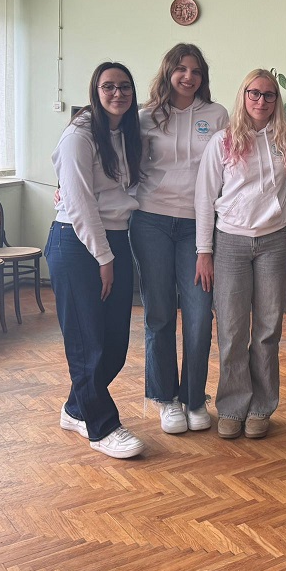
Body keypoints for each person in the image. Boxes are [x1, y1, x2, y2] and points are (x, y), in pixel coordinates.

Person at [194, 69, 286, 440]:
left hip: (274, 242)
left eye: (269, 94)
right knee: (231, 329)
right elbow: (204, 198)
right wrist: (204, 250)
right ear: (244, 96)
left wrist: (285, 205)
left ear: (277, 100)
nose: (261, 100)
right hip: (230, 243)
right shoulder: (223, 141)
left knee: (267, 330)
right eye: (254, 93)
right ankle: (231, 407)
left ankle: (261, 406)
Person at [48, 62, 145, 459]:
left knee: (114, 344)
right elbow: (79, 202)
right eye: (109, 86)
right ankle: (102, 427)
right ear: (95, 90)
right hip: (77, 244)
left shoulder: (127, 132)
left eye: (125, 86)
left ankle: (76, 409)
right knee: (87, 342)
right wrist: (103, 256)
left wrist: (110, 252)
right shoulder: (80, 134)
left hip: (114, 239)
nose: (117, 93)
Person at [130, 43, 228, 435]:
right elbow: (125, 165)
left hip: (197, 226)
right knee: (159, 313)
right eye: (182, 69)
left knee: (200, 314)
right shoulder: (146, 117)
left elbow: (227, 168)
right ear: (168, 71)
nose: (189, 77)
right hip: (150, 221)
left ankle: (193, 398)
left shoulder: (216, 115)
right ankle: (165, 398)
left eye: (196, 70)